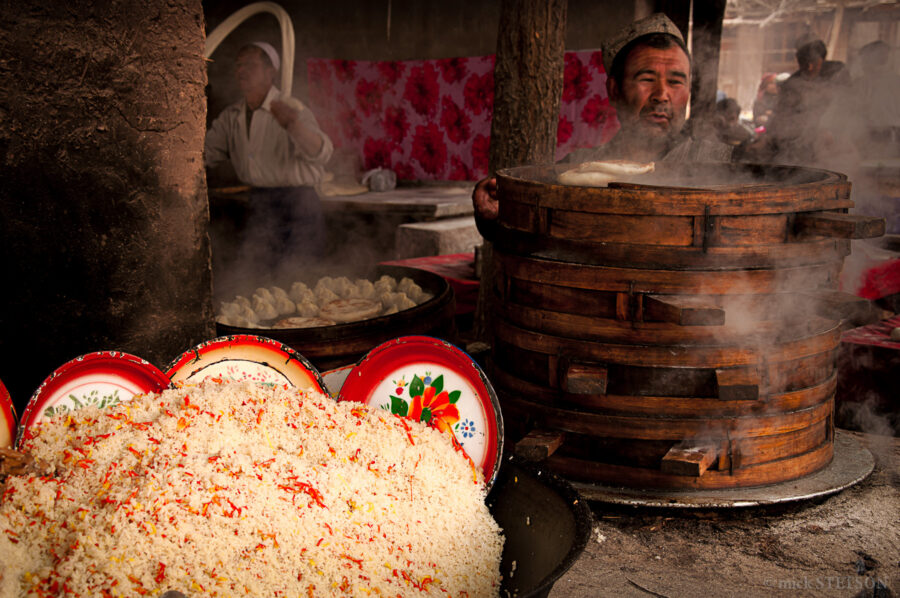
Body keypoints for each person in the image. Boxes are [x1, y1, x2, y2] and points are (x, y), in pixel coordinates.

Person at [472, 13, 731, 228]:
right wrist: (496, 213)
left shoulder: (724, 165)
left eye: (675, 81)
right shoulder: (577, 170)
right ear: (614, 91)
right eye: (646, 79)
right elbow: (529, 233)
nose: (661, 95)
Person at [205, 41, 334, 272]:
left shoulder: (291, 109)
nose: (241, 71)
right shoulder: (231, 116)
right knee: (258, 278)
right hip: (260, 204)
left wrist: (293, 125)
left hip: (298, 204)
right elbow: (205, 154)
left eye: (250, 65)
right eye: (238, 65)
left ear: (270, 72)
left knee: (300, 279)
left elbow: (322, 153)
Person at [766, 37, 849, 166]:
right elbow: (781, 115)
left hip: (833, 140)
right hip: (800, 143)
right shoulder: (792, 84)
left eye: (814, 62)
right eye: (802, 63)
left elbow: (847, 104)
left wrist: (829, 130)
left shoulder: (837, 72)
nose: (809, 67)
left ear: (821, 59)